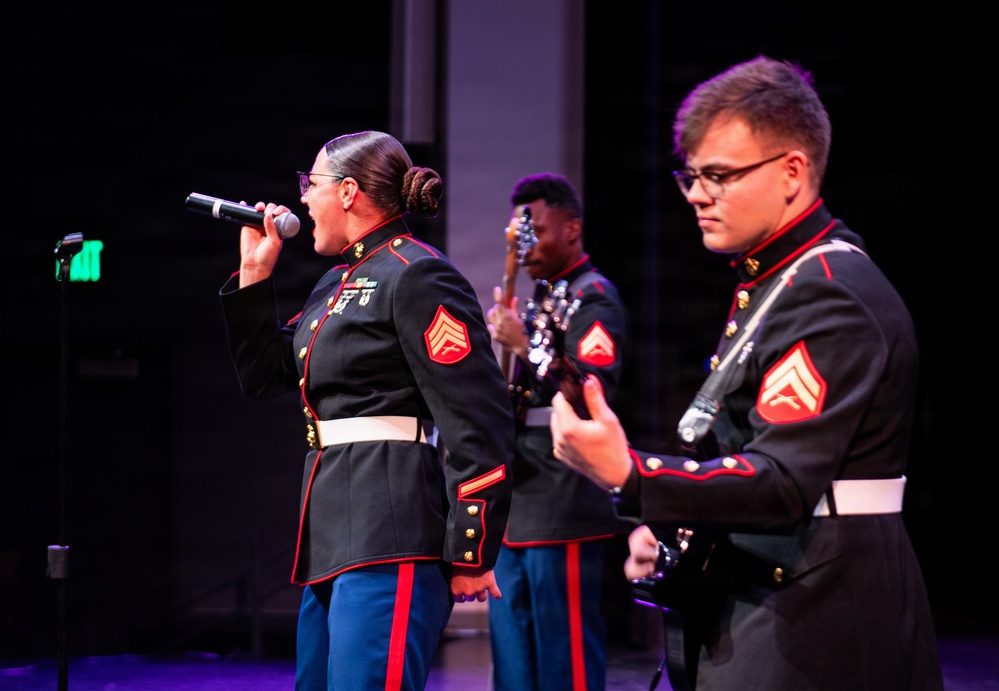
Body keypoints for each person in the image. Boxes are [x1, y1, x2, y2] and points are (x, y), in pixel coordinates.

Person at [548, 56, 944, 690]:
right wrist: (680, 524)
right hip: (779, 585)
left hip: (817, 614)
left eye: (719, 175)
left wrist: (633, 473)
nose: (698, 194)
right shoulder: (781, 280)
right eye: (690, 176)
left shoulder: (828, 290)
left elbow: (783, 481)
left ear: (792, 171)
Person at [218, 130, 514, 691]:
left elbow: (480, 419)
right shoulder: (335, 282)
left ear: (349, 191)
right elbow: (264, 376)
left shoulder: (418, 273)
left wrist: (472, 548)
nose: (302, 198)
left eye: (312, 183)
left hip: (391, 530)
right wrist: (255, 274)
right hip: (331, 536)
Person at [486, 173, 630, 691]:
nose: (525, 249)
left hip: (563, 494)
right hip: (518, 492)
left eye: (536, 233)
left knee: (562, 655)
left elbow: (589, 389)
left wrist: (524, 344)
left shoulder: (595, 299)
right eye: (519, 237)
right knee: (513, 661)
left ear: (572, 228)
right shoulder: (544, 296)